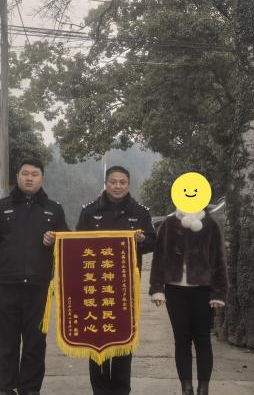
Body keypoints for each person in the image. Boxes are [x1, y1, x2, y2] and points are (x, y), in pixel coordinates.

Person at [0, 159, 70, 395]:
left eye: (35, 174)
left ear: (42, 178)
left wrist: (56, 240)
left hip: (39, 289)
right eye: (25, 173)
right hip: (6, 287)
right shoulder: (1, 208)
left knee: (35, 344)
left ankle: (30, 389)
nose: (30, 178)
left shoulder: (54, 209)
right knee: (6, 344)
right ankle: (6, 388)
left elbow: (68, 245)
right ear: (17, 177)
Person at [74, 166, 157, 395]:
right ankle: (100, 390)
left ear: (128, 184)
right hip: (95, 286)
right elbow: (76, 244)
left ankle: (121, 390)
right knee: (96, 338)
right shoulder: (90, 211)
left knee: (123, 337)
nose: (117, 186)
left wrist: (141, 240)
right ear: (106, 183)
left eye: (122, 182)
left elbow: (153, 242)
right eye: (113, 182)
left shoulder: (140, 212)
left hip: (125, 287)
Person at [149, 206, 228, 395]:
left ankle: (203, 388)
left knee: (203, 339)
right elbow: (158, 257)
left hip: (202, 290)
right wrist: (157, 288)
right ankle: (186, 388)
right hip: (174, 290)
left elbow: (219, 260)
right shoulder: (168, 224)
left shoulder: (210, 225)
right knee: (181, 340)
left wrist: (218, 293)